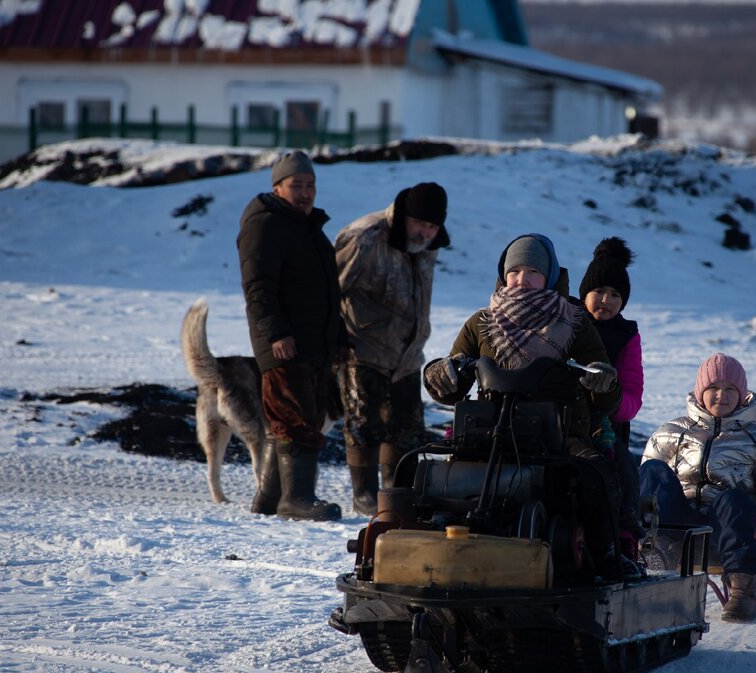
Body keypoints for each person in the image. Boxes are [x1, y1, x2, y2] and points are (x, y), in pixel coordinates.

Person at [422, 233, 627, 579]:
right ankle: (432, 550)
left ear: (548, 276)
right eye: (514, 271)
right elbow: (449, 388)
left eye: (531, 271)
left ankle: (604, 556)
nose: (521, 279)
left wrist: (602, 380)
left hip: (559, 434)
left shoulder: (575, 322)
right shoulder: (481, 322)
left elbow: (607, 394)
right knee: (431, 475)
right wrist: (443, 373)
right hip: (490, 431)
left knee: (593, 475)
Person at [640, 353, 756, 622]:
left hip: (726, 531)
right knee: (652, 471)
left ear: (742, 394)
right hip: (678, 528)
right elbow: (646, 490)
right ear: (700, 392)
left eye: (730, 389)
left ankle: (743, 588)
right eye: (713, 388)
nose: (721, 395)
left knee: (734, 499)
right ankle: (655, 552)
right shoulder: (670, 433)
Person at [237, 150, 343, 521]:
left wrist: (337, 337)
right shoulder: (265, 224)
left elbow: (325, 290)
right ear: (277, 187)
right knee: (294, 416)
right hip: (285, 343)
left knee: (295, 416)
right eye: (296, 185)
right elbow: (258, 287)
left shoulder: (306, 226)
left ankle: (269, 498)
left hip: (313, 343)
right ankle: (296, 498)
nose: (305, 192)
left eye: (310, 185)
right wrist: (276, 333)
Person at [334, 182, 449, 516]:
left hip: (409, 353)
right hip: (363, 347)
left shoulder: (429, 245)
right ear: (404, 216)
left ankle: (397, 496)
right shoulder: (365, 237)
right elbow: (327, 287)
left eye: (432, 226)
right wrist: (335, 338)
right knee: (364, 424)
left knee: (408, 430)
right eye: (420, 224)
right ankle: (365, 495)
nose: (425, 232)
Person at [577, 236, 645, 556]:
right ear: (584, 294)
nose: (606, 300)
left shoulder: (625, 335)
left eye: (615, 295)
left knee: (621, 465)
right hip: (558, 415)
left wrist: (612, 398)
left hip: (601, 423)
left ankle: (625, 537)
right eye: (599, 292)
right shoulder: (568, 320)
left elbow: (632, 397)